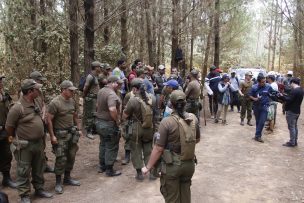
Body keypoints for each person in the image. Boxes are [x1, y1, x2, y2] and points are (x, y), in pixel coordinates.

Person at [141, 90, 200, 203]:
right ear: (185, 103)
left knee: (172, 198)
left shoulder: (166, 122)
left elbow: (159, 148)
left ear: (171, 104)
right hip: (189, 164)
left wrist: (148, 167)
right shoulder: (193, 119)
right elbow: (197, 140)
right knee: (185, 194)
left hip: (173, 165)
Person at [6, 79, 53, 203]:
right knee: (23, 170)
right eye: (37, 89)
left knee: (39, 167)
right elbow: (9, 127)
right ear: (30, 91)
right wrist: (12, 141)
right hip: (24, 145)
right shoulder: (17, 108)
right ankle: (24, 195)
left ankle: (39, 189)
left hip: (38, 143)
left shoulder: (36, 102)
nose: (39, 91)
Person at [47, 80, 82, 194]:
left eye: (73, 90)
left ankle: (67, 178)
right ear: (63, 90)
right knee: (61, 158)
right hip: (60, 134)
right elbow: (49, 120)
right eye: (70, 90)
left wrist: (78, 128)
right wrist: (52, 136)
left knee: (71, 155)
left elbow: (75, 115)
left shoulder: (72, 101)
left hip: (72, 133)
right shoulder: (55, 103)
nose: (72, 92)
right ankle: (58, 182)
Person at [123, 78, 155, 180]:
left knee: (136, 150)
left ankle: (139, 173)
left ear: (134, 89)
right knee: (148, 149)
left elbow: (125, 115)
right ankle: (152, 173)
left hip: (136, 128)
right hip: (149, 127)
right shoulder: (152, 98)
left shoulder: (133, 100)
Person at [95, 76, 123, 176]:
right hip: (108, 124)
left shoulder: (101, 91)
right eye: (118, 84)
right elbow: (112, 109)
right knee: (111, 145)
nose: (119, 86)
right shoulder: (111, 94)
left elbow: (97, 106)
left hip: (99, 122)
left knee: (103, 144)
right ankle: (109, 169)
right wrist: (117, 120)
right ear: (112, 83)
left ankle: (101, 166)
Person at [29, 71, 54, 173]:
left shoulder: (39, 91)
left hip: (41, 121)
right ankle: (32, 167)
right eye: (39, 80)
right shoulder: (26, 91)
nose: (40, 82)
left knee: (42, 144)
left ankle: (43, 165)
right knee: (32, 147)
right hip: (32, 123)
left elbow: (43, 104)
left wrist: (43, 114)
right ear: (34, 80)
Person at [0, 75, 16, 189]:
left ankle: (6, 178)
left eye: (1, 80)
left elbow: (10, 110)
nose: (1, 82)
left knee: (7, 154)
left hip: (6, 132)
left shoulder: (5, 95)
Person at [249, 74, 275, 143]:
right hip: (256, 106)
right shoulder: (254, 87)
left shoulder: (268, 86)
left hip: (265, 106)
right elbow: (250, 95)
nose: (264, 83)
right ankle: (258, 136)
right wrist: (255, 99)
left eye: (265, 81)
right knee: (258, 121)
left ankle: (257, 135)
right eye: (262, 82)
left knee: (262, 121)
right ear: (258, 82)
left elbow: (273, 93)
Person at [278, 78, 303, 147]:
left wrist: (282, 96)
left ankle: (292, 142)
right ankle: (295, 141)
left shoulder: (294, 91)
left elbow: (289, 100)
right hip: (297, 111)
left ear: (292, 83)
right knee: (294, 126)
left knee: (291, 127)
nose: (290, 85)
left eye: (290, 83)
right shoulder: (301, 90)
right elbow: (292, 98)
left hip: (291, 111)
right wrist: (285, 96)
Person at [83, 61, 101, 140]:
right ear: (96, 67)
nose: (100, 68)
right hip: (91, 98)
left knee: (94, 114)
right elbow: (85, 88)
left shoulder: (96, 76)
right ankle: (88, 132)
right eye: (99, 67)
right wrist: (85, 96)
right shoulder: (90, 77)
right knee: (90, 115)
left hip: (95, 98)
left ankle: (93, 130)